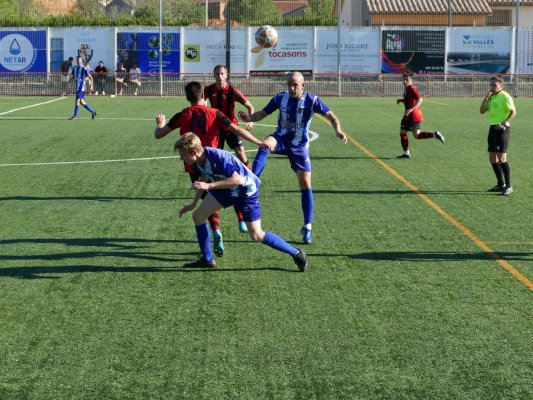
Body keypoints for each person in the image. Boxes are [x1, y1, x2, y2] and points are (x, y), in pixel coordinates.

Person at [154, 81, 264, 257]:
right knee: (227, 188)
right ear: (203, 96)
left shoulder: (182, 114)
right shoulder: (214, 113)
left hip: (193, 165)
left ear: (187, 98)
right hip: (213, 161)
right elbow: (235, 129)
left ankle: (216, 231)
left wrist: (161, 123)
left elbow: (158, 135)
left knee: (207, 201)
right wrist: (259, 142)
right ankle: (241, 218)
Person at [239, 71, 347, 244]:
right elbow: (262, 113)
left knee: (305, 183)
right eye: (289, 84)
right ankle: (253, 179)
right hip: (280, 138)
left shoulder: (312, 100)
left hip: (299, 146)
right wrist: (250, 117)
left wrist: (338, 130)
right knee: (265, 144)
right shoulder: (280, 98)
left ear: (302, 85)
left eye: (295, 84)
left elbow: (331, 116)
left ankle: (307, 226)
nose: (291, 87)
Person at [176, 132, 309, 272]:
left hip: (245, 191)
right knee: (198, 216)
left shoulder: (217, 156)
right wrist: (193, 204)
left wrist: (209, 186)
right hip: (225, 188)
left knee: (257, 235)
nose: (181, 158)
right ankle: (207, 259)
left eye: (183, 154)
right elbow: (203, 178)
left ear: (195, 152)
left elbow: (237, 180)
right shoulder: (197, 162)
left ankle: (296, 253)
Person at [204, 64, 256, 233]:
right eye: (217, 73)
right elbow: (203, 104)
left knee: (240, 152)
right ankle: (216, 180)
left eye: (222, 73)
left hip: (231, 127)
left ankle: (251, 177)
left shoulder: (232, 91)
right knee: (215, 159)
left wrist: (250, 120)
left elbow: (249, 105)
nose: (219, 76)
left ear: (226, 75)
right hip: (216, 129)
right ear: (214, 75)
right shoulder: (208, 89)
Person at [479, 76, 517, 195]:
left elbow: (513, 112)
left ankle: (509, 186)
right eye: (491, 85)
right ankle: (501, 184)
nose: (492, 87)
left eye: (494, 85)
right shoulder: (491, 97)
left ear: (501, 86)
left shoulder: (505, 96)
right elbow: (482, 111)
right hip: (492, 128)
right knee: (492, 158)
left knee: (502, 158)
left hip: (502, 130)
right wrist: (485, 99)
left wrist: (503, 123)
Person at [396, 70, 445, 158]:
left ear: (411, 79)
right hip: (408, 115)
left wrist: (411, 109)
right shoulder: (407, 88)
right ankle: (406, 153)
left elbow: (420, 99)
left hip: (414, 115)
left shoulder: (412, 88)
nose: (404, 81)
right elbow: (410, 100)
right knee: (403, 132)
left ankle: (435, 134)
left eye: (406, 79)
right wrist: (401, 100)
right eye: (403, 79)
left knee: (416, 135)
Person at [68, 56, 96, 120]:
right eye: (77, 59)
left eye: (79, 59)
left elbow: (90, 77)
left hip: (81, 86)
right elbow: (73, 76)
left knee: (77, 100)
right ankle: (93, 111)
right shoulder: (74, 68)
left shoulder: (84, 68)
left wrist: (91, 85)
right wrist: (69, 81)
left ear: (81, 60)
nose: (78, 60)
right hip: (77, 86)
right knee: (82, 102)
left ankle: (75, 116)